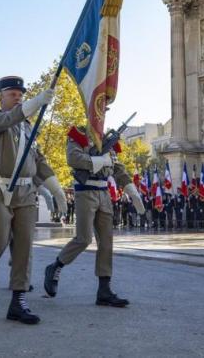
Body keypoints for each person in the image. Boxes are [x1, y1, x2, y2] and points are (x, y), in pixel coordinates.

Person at [0, 76, 66, 325]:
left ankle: (18, 300)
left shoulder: (29, 128)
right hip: (0, 190)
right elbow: (11, 118)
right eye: (12, 94)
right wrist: (36, 102)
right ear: (1, 97)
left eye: (20, 94)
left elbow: (38, 161)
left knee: (24, 247)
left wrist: (54, 189)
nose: (17, 97)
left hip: (26, 193)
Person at [44, 125, 144, 307]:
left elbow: (117, 168)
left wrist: (131, 190)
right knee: (83, 239)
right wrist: (100, 161)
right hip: (85, 191)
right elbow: (73, 158)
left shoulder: (106, 138)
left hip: (104, 193)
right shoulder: (79, 134)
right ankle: (56, 266)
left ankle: (104, 290)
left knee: (106, 242)